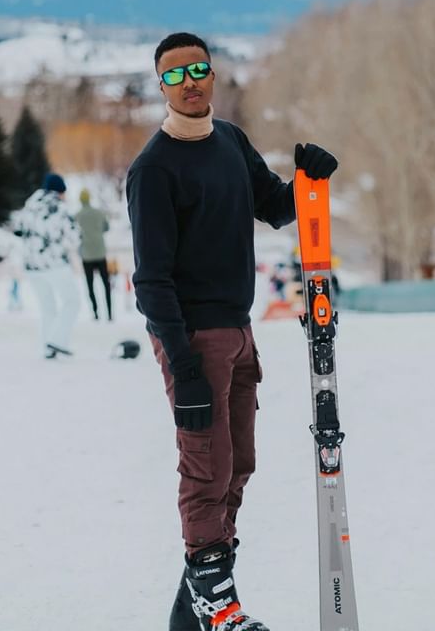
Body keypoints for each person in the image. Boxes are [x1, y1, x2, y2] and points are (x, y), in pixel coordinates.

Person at [126, 31, 338, 631]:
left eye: (197, 70)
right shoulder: (153, 170)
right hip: (193, 339)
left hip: (240, 332)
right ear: (161, 86)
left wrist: (309, 182)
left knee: (237, 464)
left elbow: (275, 206)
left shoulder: (230, 141)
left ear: (212, 74)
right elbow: (151, 282)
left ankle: (196, 602)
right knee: (206, 469)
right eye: (174, 75)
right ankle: (218, 603)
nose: (188, 82)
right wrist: (183, 364)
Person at [13, 173, 81, 358]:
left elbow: (17, 230)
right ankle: (58, 340)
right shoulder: (59, 208)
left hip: (31, 265)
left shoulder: (29, 206)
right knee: (72, 301)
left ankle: (48, 347)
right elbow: (75, 238)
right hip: (54, 263)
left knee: (47, 307)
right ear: (60, 191)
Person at [75, 187, 113, 321]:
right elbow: (106, 227)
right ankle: (109, 313)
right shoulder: (99, 213)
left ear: (80, 200)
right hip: (100, 253)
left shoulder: (77, 215)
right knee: (106, 284)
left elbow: (74, 233)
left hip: (87, 255)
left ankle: (96, 313)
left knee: (90, 285)